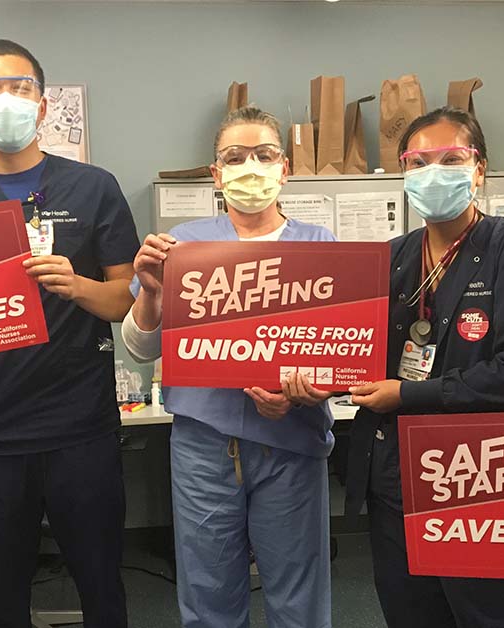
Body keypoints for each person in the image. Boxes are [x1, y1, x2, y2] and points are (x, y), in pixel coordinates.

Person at [304, 107, 504, 627]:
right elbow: (354, 353)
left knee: (489, 615)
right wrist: (311, 380)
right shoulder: (391, 257)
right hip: (395, 474)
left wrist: (408, 395)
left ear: (479, 169)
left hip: (478, 476)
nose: (432, 172)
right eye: (418, 162)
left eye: (450, 159)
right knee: (410, 613)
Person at [0, 39, 138, 628]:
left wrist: (77, 287)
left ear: (43, 105)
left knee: (101, 582)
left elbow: (126, 301)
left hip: (80, 426)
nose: (6, 100)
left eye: (19, 87)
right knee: (2, 592)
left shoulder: (94, 187)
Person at [121, 106, 334, 628]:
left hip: (291, 443)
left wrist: (304, 392)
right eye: (235, 158)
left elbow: (340, 355)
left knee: (298, 593)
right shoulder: (184, 246)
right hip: (204, 445)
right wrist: (150, 292)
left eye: (264, 155)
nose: (251, 167)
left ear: (284, 168)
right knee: (209, 590)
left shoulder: (322, 247)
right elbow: (141, 348)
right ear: (217, 175)